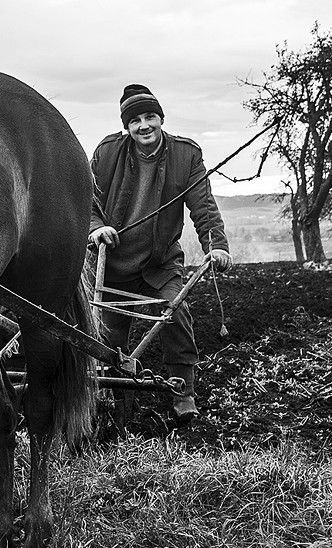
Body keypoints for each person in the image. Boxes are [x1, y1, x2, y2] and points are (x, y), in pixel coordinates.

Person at [88, 84, 233, 424]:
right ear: (127, 126)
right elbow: (86, 199)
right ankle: (111, 394)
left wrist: (218, 246)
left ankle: (183, 393)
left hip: (160, 262)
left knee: (176, 314)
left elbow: (203, 206)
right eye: (135, 120)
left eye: (150, 116)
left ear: (161, 118)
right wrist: (95, 228)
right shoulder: (108, 152)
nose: (144, 126)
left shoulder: (186, 155)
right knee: (108, 337)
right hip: (113, 262)